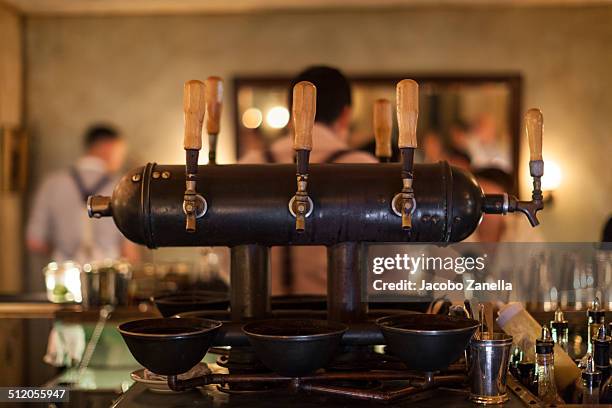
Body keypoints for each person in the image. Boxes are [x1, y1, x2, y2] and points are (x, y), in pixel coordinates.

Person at [241, 66, 377, 295]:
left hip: (258, 322)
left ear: (292, 111)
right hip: (343, 322)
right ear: (345, 115)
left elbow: (227, 259)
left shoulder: (249, 164)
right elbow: (383, 263)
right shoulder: (364, 167)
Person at [27, 124, 139, 265]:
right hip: (108, 275)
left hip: (63, 276)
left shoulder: (51, 184)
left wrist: (62, 254)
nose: (121, 159)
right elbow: (129, 251)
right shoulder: (123, 188)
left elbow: (35, 242)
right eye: (121, 153)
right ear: (109, 147)